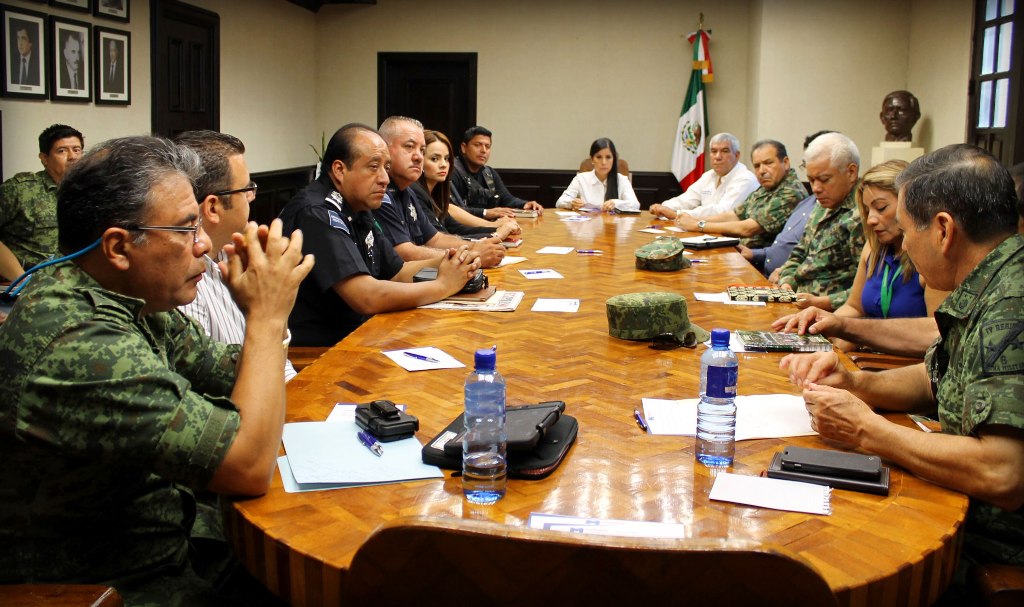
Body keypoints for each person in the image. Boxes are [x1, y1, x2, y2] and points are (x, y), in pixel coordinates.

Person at [0, 136, 313, 605]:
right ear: (119, 246)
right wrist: (267, 316)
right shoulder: (76, 339)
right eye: (186, 229)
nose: (204, 244)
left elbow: (226, 369)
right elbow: (246, 466)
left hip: (187, 533)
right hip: (121, 585)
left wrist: (261, 319)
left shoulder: (127, 294)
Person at [780, 144, 1024, 594]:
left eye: (909, 230)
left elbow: (1003, 472)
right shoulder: (991, 280)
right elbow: (935, 375)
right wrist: (856, 384)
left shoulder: (1011, 304)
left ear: (944, 230)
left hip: (987, 546)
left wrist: (867, 430)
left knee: (815, 556)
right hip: (957, 506)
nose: (904, 244)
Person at [279, 123, 481, 347]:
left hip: (359, 334)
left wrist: (450, 260)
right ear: (339, 170)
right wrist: (443, 285)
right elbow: (366, 296)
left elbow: (398, 272)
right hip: (318, 350)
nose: (384, 178)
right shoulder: (316, 212)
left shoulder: (359, 205)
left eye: (386, 167)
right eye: (374, 167)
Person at [772, 160, 947, 353]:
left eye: (881, 208)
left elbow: (938, 336)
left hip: (897, 362)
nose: (871, 219)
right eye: (867, 210)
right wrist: (821, 329)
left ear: (909, 206)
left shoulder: (931, 259)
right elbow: (854, 308)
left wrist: (850, 332)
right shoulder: (873, 247)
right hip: (866, 352)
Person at [176, 130, 298, 381]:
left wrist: (275, 305)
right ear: (213, 207)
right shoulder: (184, 285)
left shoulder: (236, 253)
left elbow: (279, 366)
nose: (252, 196)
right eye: (246, 189)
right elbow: (210, 388)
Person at [374, 116, 506, 267]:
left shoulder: (407, 191)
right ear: (384, 149)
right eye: (409, 147)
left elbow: (435, 239)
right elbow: (405, 253)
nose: (418, 157)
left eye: (422, 150)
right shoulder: (379, 192)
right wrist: (471, 255)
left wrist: (475, 247)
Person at [773, 132, 865, 311]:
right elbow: (800, 252)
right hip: (796, 302)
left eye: (824, 180)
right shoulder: (824, 204)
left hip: (831, 314)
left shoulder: (862, 215)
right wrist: (787, 283)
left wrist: (821, 303)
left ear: (851, 172)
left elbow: (867, 290)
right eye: (811, 180)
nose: (816, 188)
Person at [673, 139, 806, 248]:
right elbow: (735, 215)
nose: (762, 171)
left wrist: (698, 225)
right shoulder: (768, 186)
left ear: (786, 163)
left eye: (768, 163)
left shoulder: (790, 192)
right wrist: (695, 220)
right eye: (757, 166)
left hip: (759, 262)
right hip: (740, 251)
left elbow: (747, 229)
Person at [740, 130, 833, 276]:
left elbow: (820, 265)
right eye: (806, 162)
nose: (816, 187)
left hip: (790, 284)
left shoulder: (795, 193)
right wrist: (754, 254)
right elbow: (789, 248)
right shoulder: (808, 203)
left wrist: (788, 277)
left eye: (768, 163)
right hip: (766, 271)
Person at [0, 123, 84, 280]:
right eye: (62, 151)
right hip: (29, 284)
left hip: (76, 282)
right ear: (44, 158)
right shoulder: (20, 190)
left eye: (77, 150)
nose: (72, 157)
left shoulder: (90, 192)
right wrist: (21, 280)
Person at [419, 129, 521, 239]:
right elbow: (437, 240)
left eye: (447, 159)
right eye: (434, 159)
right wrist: (495, 233)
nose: (443, 164)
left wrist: (499, 229)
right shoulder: (416, 193)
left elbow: (456, 228)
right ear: (419, 159)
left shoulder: (488, 172)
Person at [649, 132, 759, 220]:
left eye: (725, 151)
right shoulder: (709, 175)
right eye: (714, 151)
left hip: (733, 237)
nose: (718, 157)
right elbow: (688, 199)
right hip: (706, 230)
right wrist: (664, 207)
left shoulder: (745, 179)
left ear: (737, 155)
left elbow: (722, 212)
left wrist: (677, 214)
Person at [451, 125, 544, 218]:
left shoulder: (489, 172)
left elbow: (506, 199)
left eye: (487, 146)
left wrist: (525, 204)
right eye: (477, 145)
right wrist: (486, 212)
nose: (483, 150)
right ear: (464, 147)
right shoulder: (452, 171)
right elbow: (452, 210)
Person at [555, 138, 639, 212]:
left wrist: (615, 203)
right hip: (587, 224)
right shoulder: (580, 179)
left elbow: (635, 205)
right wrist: (571, 203)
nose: (604, 162)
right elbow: (560, 202)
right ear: (592, 159)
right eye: (599, 157)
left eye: (608, 157)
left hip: (614, 224)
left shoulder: (622, 180)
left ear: (613, 159)